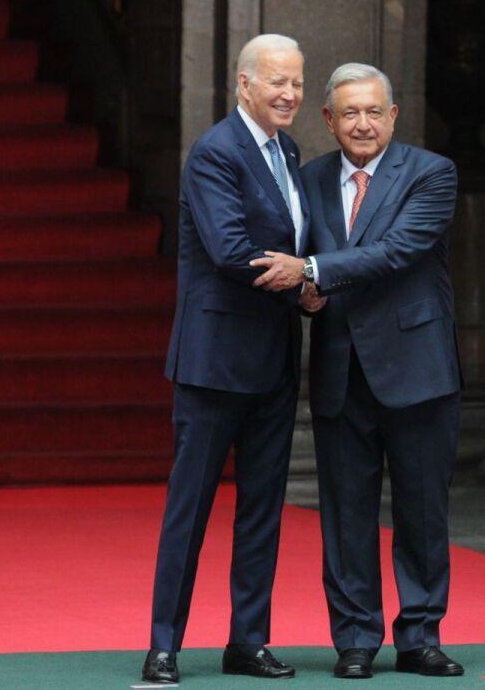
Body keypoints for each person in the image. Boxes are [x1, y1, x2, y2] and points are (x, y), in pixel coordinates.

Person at [252, 63, 464, 679]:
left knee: (423, 510)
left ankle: (421, 637)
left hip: (418, 368)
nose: (363, 124)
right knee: (345, 515)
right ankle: (355, 640)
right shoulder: (306, 179)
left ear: (393, 116)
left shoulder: (432, 173)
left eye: (374, 112)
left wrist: (312, 272)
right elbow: (291, 266)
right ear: (329, 121)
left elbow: (398, 250)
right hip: (341, 369)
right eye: (350, 114)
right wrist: (303, 292)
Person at [142, 34, 311, 684]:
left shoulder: (288, 151)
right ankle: (164, 645)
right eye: (277, 82)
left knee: (263, 507)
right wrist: (309, 278)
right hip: (213, 365)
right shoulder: (216, 152)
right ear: (244, 85)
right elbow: (230, 249)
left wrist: (311, 280)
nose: (290, 93)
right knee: (190, 507)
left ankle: (249, 640)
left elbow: (293, 244)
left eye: (297, 82)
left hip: (273, 363)